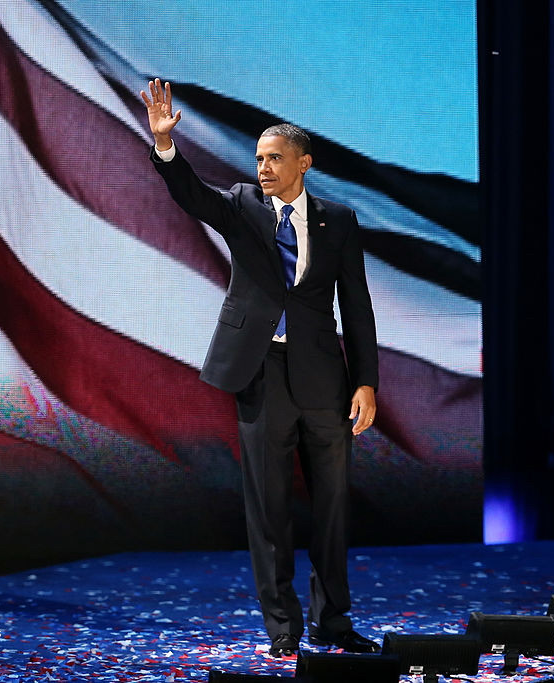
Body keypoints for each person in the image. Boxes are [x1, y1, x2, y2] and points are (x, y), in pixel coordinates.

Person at [141, 79, 380, 657]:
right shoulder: (243, 205)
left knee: (331, 510)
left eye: (274, 158)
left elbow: (357, 304)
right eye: (259, 158)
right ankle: (282, 629)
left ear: (304, 163)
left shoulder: (339, 221)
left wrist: (367, 382)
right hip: (261, 375)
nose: (264, 166)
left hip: (325, 381)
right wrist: (166, 148)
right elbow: (192, 196)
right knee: (269, 509)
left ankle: (334, 624)